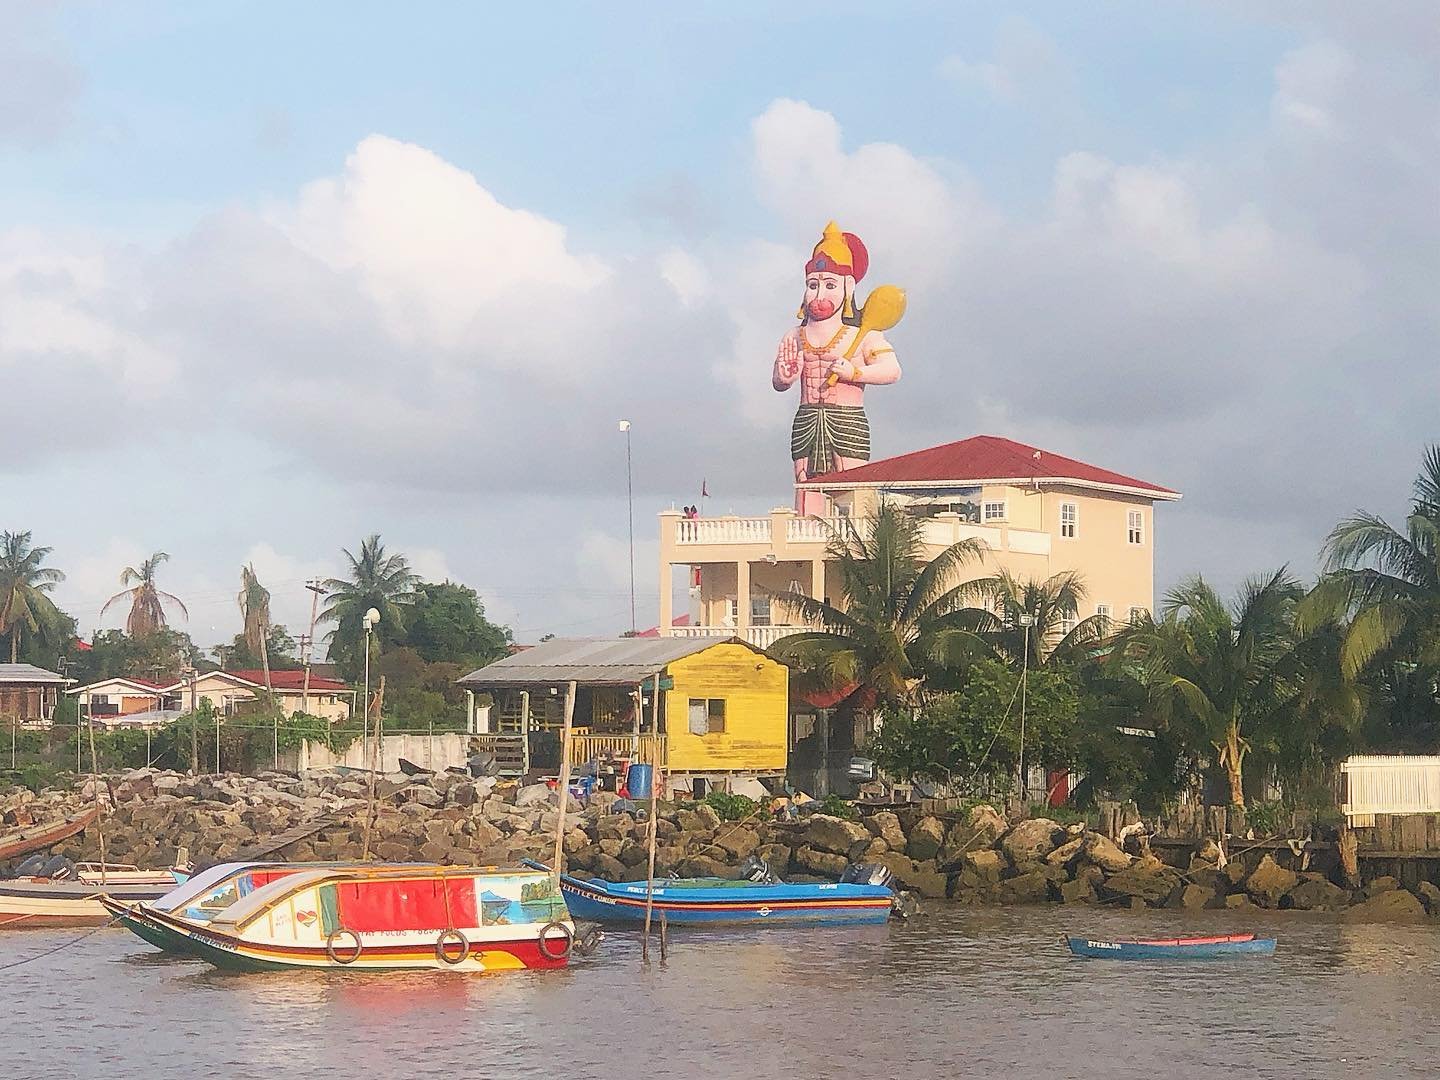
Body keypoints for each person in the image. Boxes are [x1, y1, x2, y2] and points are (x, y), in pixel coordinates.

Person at [772, 222, 902, 516]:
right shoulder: (794, 335)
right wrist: (784, 376)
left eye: (830, 284)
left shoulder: (863, 335)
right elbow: (779, 381)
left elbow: (892, 369)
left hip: (846, 421)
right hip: (806, 419)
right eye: (813, 284)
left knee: (850, 484)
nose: (820, 293)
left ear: (848, 287)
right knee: (806, 485)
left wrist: (855, 373)